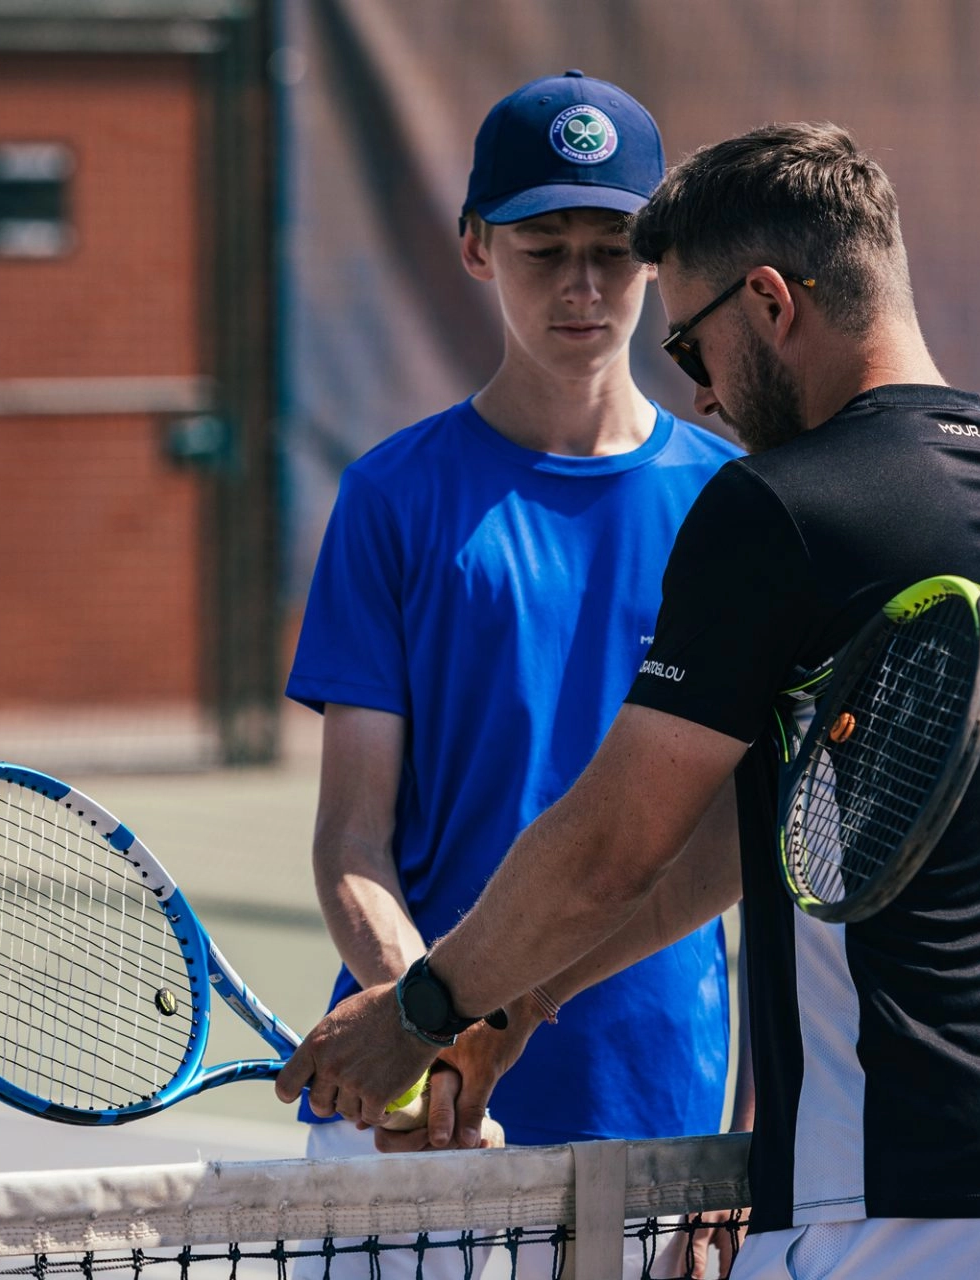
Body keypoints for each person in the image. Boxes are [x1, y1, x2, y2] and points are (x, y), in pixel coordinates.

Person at [278, 121, 980, 1280]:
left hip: (889, 1187)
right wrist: (520, 1006)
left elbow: (617, 845)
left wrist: (422, 1008)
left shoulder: (776, 507)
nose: (706, 391)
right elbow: (772, 842)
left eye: (694, 341)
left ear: (772, 303)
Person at [285, 67, 746, 1185]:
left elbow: (748, 848)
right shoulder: (392, 498)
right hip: (404, 1120)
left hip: (653, 1096)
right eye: (545, 248)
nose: (583, 285)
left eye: (615, 248)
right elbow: (354, 839)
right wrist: (421, 1031)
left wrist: (746, 1142)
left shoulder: (740, 507)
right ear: (475, 247)